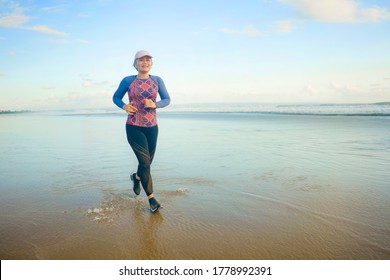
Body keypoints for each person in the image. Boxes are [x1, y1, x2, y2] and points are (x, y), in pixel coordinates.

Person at [112, 50, 171, 212]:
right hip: (133, 126)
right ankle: (151, 199)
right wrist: (124, 106)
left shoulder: (158, 80)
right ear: (135, 63)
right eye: (141, 60)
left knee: (146, 164)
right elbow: (116, 97)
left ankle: (136, 178)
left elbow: (167, 99)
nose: (145, 62)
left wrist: (155, 104)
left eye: (148, 60)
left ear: (151, 63)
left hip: (152, 127)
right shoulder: (128, 81)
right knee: (145, 163)